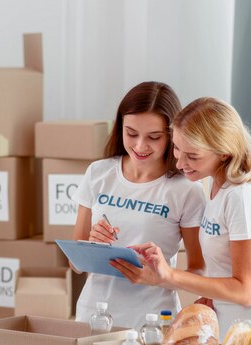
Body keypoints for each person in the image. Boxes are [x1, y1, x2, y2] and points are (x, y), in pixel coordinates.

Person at [112, 97, 251, 345]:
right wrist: (209, 296)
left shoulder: (243, 196)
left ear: (224, 152)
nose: (180, 163)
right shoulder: (217, 188)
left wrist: (168, 275)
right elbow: (225, 266)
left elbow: (245, 290)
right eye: (178, 149)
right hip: (236, 339)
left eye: (193, 156)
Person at [71, 81, 206, 330]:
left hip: (152, 323)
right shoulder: (98, 173)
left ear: (172, 136)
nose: (140, 146)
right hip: (94, 316)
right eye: (131, 133)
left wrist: (159, 276)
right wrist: (91, 245)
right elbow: (75, 264)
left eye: (154, 137)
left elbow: (198, 271)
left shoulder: (186, 189)